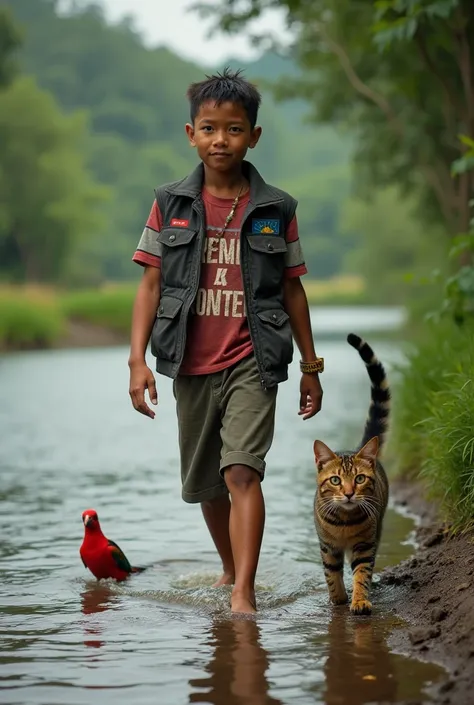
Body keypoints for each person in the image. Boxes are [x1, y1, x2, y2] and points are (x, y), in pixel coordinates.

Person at [128, 68, 324, 614]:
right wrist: (135, 362)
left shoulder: (276, 208)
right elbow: (149, 284)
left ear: (253, 136)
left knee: (241, 470)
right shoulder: (169, 203)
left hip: (253, 360)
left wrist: (311, 366)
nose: (221, 140)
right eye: (209, 128)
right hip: (189, 360)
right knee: (207, 485)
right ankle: (230, 567)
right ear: (190, 134)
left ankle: (243, 592)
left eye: (234, 129)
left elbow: (293, 289)